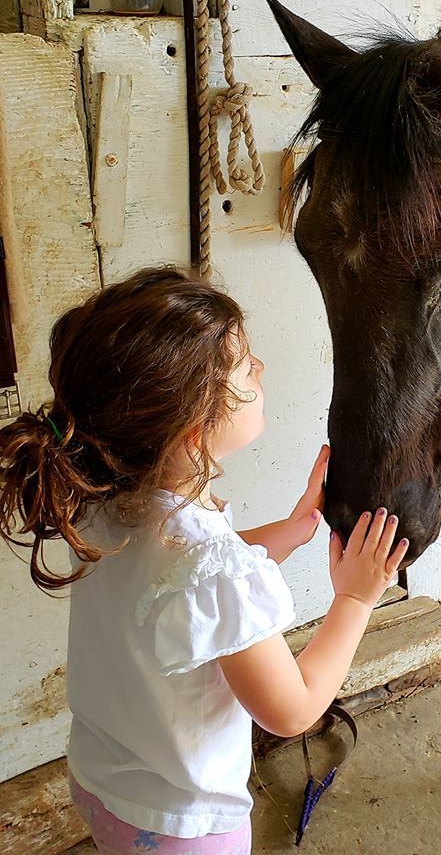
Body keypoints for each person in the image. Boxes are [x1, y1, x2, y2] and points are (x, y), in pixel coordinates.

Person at [0, 266, 408, 854]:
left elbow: (178, 580)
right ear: (196, 432)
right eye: (245, 365)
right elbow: (291, 711)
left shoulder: (96, 498)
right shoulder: (203, 561)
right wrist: (355, 599)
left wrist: (288, 533)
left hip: (101, 782)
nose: (261, 368)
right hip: (182, 829)